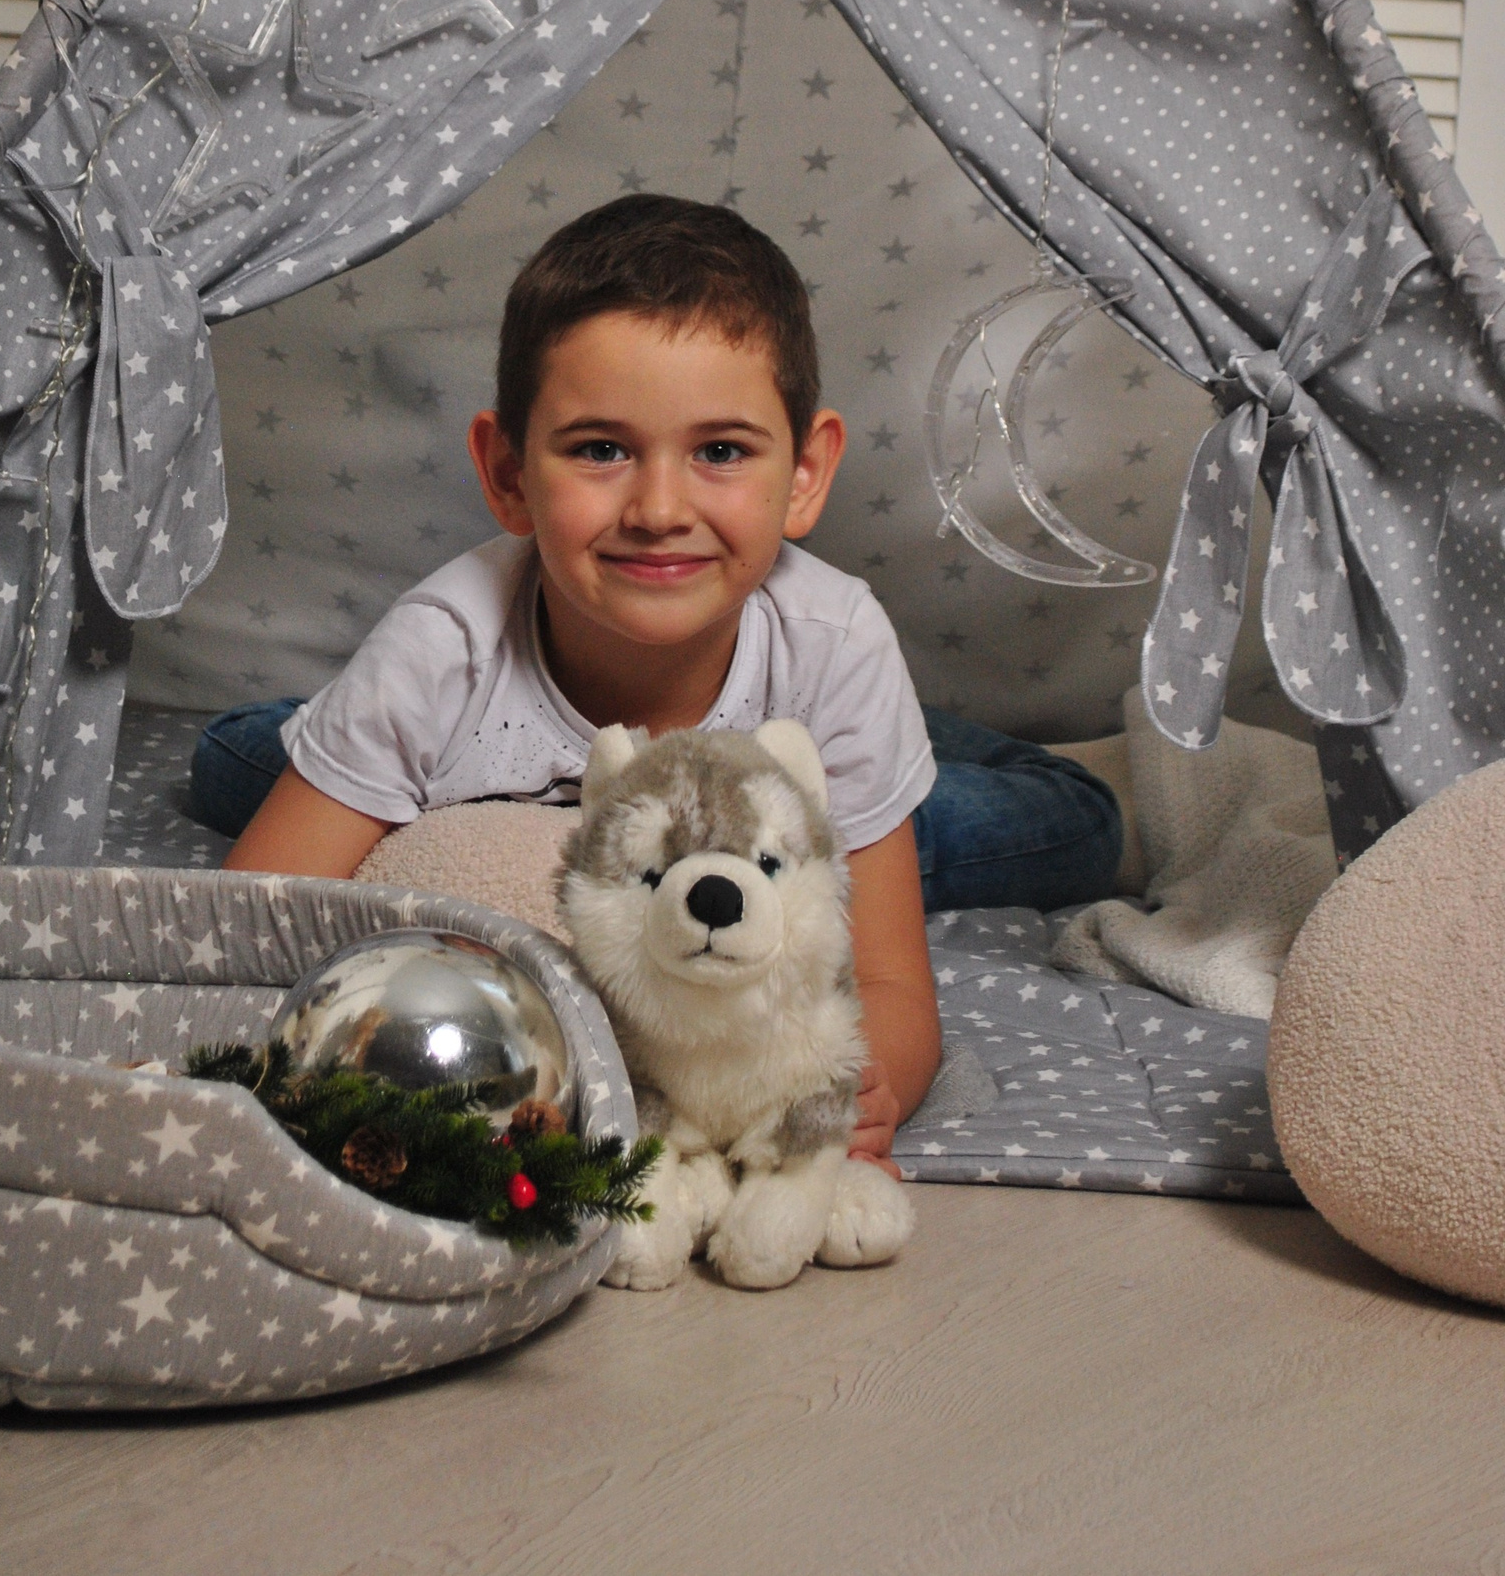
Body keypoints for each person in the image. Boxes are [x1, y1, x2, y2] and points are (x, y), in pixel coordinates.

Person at [201, 194, 1123, 1160]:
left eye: (720, 452)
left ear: (805, 475)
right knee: (230, 762)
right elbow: (237, 939)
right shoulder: (442, 646)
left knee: (1075, 827)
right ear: (508, 474)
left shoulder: (834, 643)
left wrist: (849, 1092)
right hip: (465, 727)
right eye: (601, 450)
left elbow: (892, 987)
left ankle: (938, 752)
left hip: (785, 803)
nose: (658, 510)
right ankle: (331, 738)